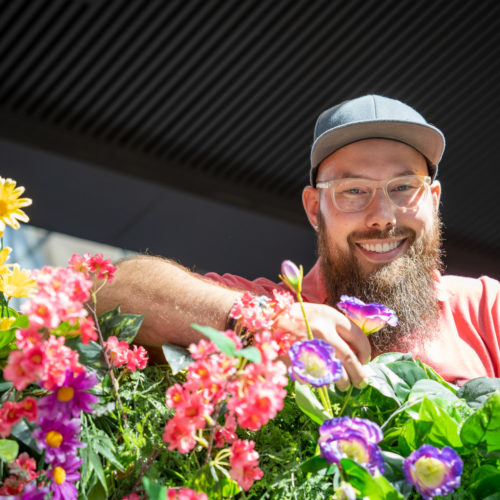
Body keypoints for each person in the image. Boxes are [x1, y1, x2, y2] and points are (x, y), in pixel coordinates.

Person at [96, 95, 500, 387]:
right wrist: (268, 323)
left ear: (433, 200)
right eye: (353, 190)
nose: (382, 216)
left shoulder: (486, 310)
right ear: (314, 209)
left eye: (402, 187)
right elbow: (110, 289)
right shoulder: (275, 305)